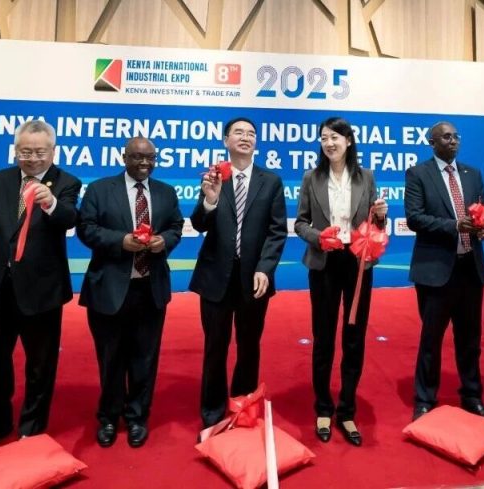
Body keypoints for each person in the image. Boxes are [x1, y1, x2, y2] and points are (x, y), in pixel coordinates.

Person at [0, 120, 81, 457]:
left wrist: (50, 203)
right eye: (25, 151)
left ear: (52, 151)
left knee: (40, 365)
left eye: (40, 152)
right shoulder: (0, 179)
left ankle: (31, 429)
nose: (32, 158)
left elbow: (70, 218)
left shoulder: (66, 182)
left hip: (42, 290)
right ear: (15, 150)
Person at [77, 137, 183, 448]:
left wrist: (164, 241)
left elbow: (176, 226)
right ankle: (109, 417)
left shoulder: (166, 192)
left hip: (150, 288)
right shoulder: (99, 189)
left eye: (150, 158)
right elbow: (86, 228)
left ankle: (137, 417)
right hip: (108, 288)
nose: (144, 163)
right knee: (111, 359)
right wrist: (120, 241)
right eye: (137, 157)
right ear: (124, 157)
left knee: (145, 358)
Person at [294, 117, 386, 446]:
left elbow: (375, 224)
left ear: (348, 141)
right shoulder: (312, 177)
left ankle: (347, 410)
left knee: (354, 337)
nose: (329, 143)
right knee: (323, 337)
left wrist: (381, 215)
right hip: (324, 263)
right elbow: (300, 223)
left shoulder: (366, 177)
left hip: (358, 263)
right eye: (324, 138)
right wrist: (319, 238)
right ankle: (323, 407)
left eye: (335, 137)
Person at [190, 117, 287, 430]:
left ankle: (243, 407)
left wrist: (265, 268)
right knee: (215, 347)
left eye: (251, 133)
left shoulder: (270, 181)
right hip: (215, 276)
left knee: (249, 346)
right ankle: (212, 412)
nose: (246, 137)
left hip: (253, 279)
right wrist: (210, 200)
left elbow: (276, 231)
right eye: (239, 133)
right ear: (225, 140)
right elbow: (199, 223)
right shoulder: (215, 176)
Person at [404, 121, 484, 422]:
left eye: (456, 136)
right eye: (446, 137)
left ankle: (472, 396)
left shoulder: (472, 174)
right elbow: (415, 218)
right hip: (436, 271)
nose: (453, 141)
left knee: (470, 340)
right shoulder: (418, 174)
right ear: (432, 143)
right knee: (431, 339)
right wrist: (455, 225)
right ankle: (424, 399)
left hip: (470, 268)